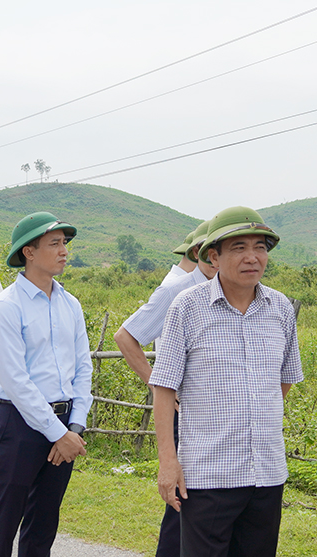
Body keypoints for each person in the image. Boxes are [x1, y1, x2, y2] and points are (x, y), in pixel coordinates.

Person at [150, 206, 303, 557]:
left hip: (266, 474)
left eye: (260, 247)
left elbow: (284, 381)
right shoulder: (186, 307)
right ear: (214, 256)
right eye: (239, 248)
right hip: (208, 477)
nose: (252, 257)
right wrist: (168, 462)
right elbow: (164, 390)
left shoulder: (280, 309)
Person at [0, 212, 93, 557]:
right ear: (28, 252)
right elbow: (15, 381)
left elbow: (83, 368)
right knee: (0, 530)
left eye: (65, 244)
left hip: (64, 425)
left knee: (42, 529)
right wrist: (57, 433)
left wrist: (73, 427)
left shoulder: (69, 304)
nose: (63, 251)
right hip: (17, 427)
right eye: (54, 244)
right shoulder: (6, 308)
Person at [113, 219, 214, 557]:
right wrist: (160, 389)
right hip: (183, 410)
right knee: (183, 500)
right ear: (203, 253)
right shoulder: (177, 290)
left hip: (212, 417)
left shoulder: (223, 291)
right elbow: (126, 337)